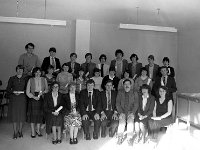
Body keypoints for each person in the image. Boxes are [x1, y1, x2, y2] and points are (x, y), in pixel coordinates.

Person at [6, 65, 28, 139]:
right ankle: (15, 132)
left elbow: (27, 89)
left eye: (21, 69)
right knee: (14, 116)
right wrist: (13, 92)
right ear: (16, 70)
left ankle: (20, 131)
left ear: (23, 70)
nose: (20, 71)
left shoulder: (25, 79)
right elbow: (8, 89)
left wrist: (22, 92)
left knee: (21, 115)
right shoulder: (12, 78)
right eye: (18, 69)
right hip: (14, 99)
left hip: (22, 99)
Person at [26, 67, 48, 138]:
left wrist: (43, 92)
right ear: (34, 73)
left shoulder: (44, 79)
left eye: (39, 72)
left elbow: (47, 89)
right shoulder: (30, 79)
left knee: (40, 115)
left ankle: (38, 130)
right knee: (33, 115)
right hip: (33, 97)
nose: (38, 73)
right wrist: (33, 97)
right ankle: (33, 131)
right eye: (36, 72)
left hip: (41, 97)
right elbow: (27, 92)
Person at [116, 79, 139, 145]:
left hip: (131, 111)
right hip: (122, 111)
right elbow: (117, 103)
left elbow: (136, 104)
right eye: (125, 84)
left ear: (131, 85)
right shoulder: (120, 92)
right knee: (122, 122)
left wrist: (133, 113)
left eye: (128, 84)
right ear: (123, 85)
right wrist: (120, 112)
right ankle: (120, 137)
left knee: (130, 122)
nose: (127, 86)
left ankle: (129, 138)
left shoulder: (134, 92)